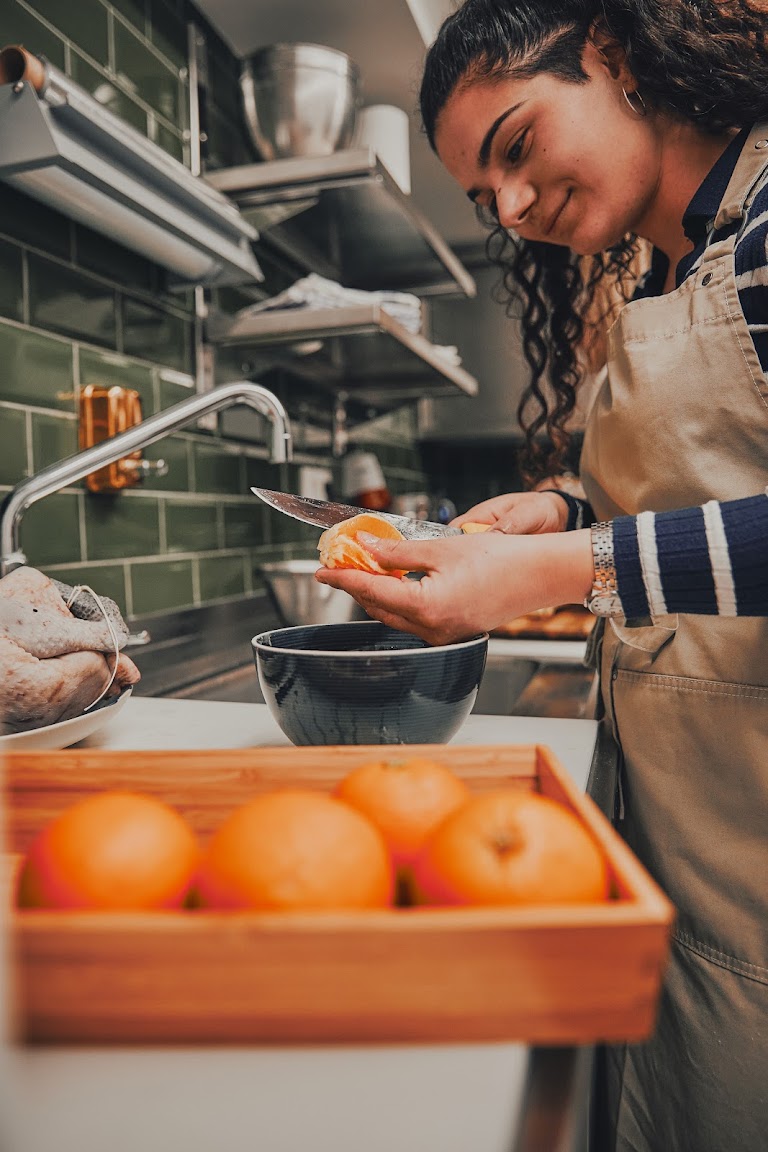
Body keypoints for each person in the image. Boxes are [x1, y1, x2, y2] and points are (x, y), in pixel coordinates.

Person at [316, 2, 768, 1149]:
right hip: (700, 833)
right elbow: (713, 489)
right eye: (487, 196)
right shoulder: (666, 274)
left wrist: (554, 568)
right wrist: (564, 511)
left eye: (516, 146)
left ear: (611, 53)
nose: (512, 209)